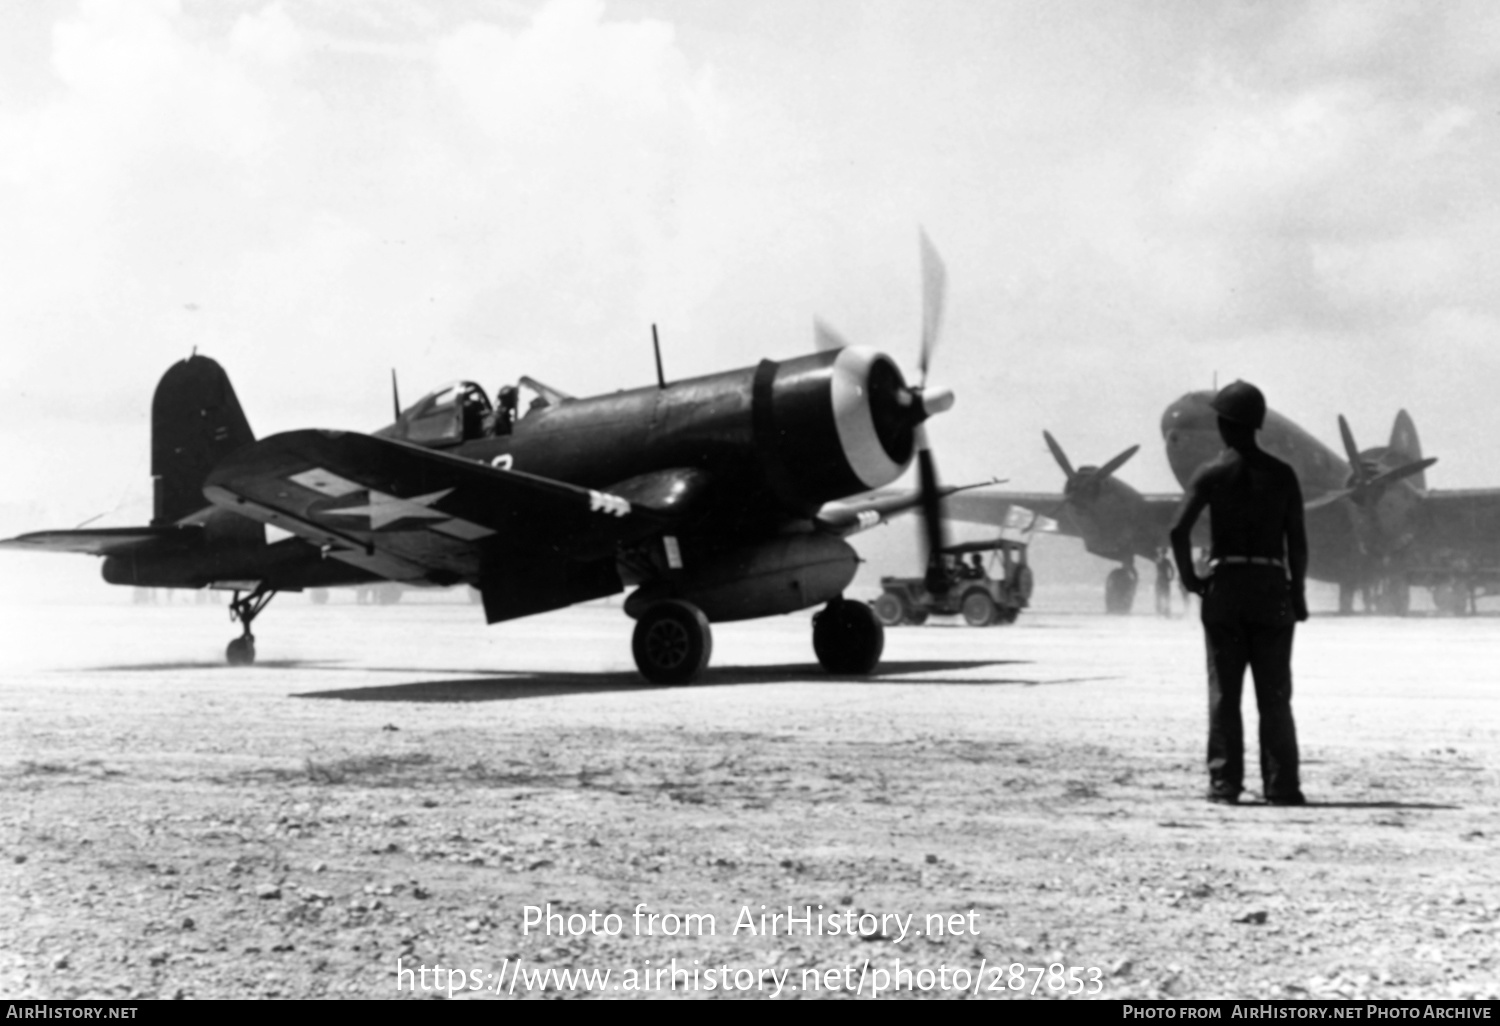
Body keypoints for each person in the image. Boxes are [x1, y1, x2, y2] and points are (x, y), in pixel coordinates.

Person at [1169, 380, 1308, 806]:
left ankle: (1225, 784)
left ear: (1225, 426)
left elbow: (1177, 530)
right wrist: (1297, 594)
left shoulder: (1210, 473)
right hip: (1270, 591)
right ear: (1257, 425)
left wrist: (1192, 580)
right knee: (1275, 696)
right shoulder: (1282, 475)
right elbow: (1297, 542)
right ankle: (1282, 787)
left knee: (1225, 695)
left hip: (1225, 590)